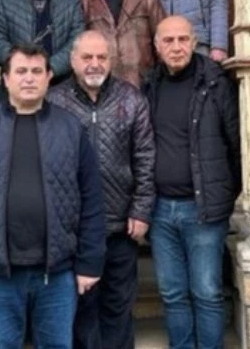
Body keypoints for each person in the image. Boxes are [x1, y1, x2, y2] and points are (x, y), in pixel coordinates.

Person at [0, 44, 106, 349]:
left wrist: (90, 262)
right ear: (5, 79)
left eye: (36, 71)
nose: (29, 78)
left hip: (57, 273)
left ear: (48, 77)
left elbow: (92, 201)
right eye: (21, 71)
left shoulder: (70, 128)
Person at [48, 30, 155, 349]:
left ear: (111, 60)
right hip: (73, 228)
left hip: (121, 224)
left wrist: (141, 209)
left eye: (101, 57)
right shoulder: (54, 101)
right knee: (81, 308)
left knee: (117, 305)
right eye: (87, 57)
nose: (94, 64)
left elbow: (145, 157)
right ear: (73, 61)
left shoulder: (131, 99)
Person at [143, 15, 241, 349]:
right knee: (172, 293)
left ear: (195, 42)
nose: (176, 47)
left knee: (207, 292)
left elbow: (237, 144)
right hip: (160, 210)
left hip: (203, 210)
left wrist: (224, 193)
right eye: (168, 41)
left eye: (183, 39)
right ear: (157, 46)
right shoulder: (149, 85)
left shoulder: (216, 83)